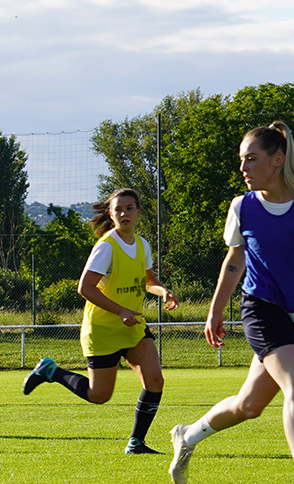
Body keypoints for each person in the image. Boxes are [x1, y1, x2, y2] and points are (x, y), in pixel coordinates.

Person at [167, 121, 294, 484]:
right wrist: (215, 310)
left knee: (249, 405)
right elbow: (235, 261)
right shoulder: (242, 206)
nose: (243, 168)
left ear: (278, 160)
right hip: (261, 308)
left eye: (251, 158)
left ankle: (187, 435)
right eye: (241, 160)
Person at [23, 189, 179, 453]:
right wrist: (120, 311)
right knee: (99, 396)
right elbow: (85, 287)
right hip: (103, 329)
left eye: (130, 208)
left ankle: (136, 442)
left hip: (133, 326)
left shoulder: (142, 245)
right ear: (111, 214)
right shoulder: (107, 246)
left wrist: (162, 291)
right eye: (118, 209)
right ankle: (51, 371)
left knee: (155, 381)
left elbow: (149, 281)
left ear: (139, 212)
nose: (124, 213)